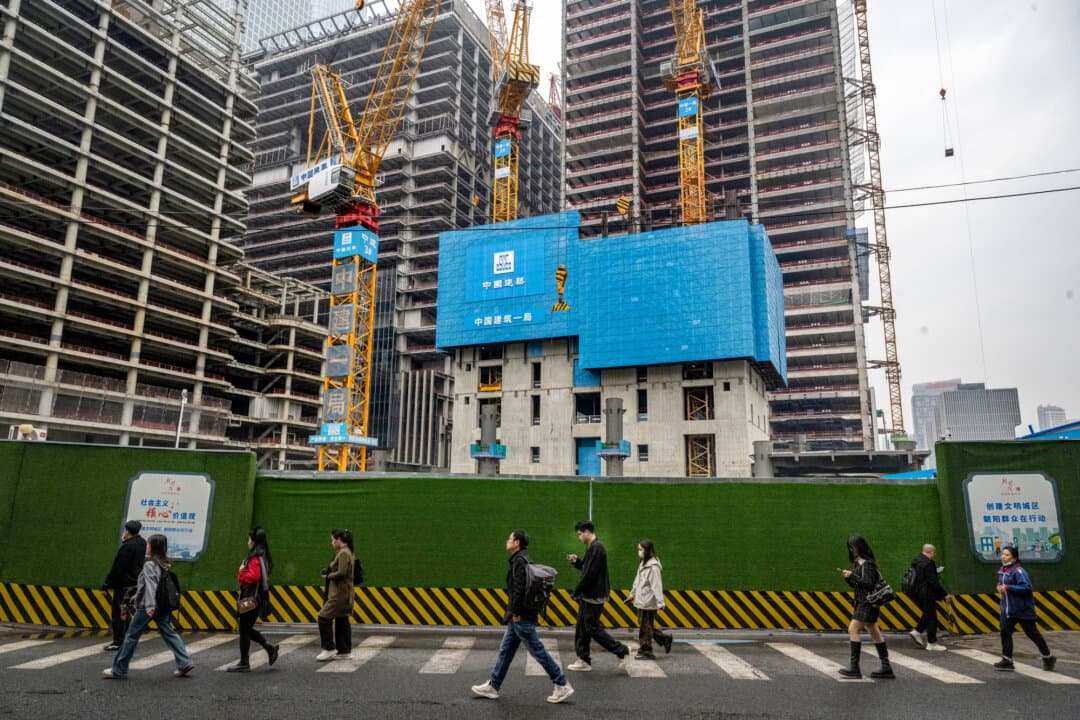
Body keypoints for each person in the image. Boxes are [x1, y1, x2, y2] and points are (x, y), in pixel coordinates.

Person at [471, 530, 573, 704]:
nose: (507, 541)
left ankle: (562, 684)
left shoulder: (519, 561)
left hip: (521, 616)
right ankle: (493, 686)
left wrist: (515, 613)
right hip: (519, 615)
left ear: (517, 543)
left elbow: (519, 589)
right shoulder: (523, 558)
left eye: (510, 538)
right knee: (506, 650)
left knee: (537, 651)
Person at [103, 534, 193, 679]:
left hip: (147, 606)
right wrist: (135, 598)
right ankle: (184, 662)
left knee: (131, 636)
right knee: (169, 633)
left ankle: (119, 669)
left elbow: (151, 586)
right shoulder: (164, 564)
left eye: (148, 544)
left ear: (154, 547)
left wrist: (150, 606)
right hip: (162, 605)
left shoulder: (150, 565)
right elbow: (148, 587)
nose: (146, 546)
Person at [566, 520, 630, 672]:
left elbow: (589, 574)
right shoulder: (592, 547)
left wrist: (576, 591)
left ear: (587, 532)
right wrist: (577, 562)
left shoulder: (597, 548)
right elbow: (587, 568)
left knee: (592, 628)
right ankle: (583, 659)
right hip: (589, 595)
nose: (579, 537)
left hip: (593, 596)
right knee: (582, 628)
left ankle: (622, 650)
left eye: (580, 534)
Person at [838, 534, 894, 680]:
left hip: (867, 602)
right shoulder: (858, 564)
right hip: (864, 602)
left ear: (859, 547)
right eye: (850, 548)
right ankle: (886, 667)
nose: (852, 550)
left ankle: (854, 668)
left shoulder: (867, 564)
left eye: (853, 547)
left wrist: (853, 575)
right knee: (874, 631)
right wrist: (848, 578)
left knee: (853, 629)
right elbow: (858, 585)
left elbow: (868, 584)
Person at [994, 545, 1056, 671]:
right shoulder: (1003, 570)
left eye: (1007, 555)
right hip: (1008, 610)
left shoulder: (1018, 571)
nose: (1003, 557)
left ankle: (1048, 657)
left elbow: (1027, 588)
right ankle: (1007, 660)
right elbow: (1002, 584)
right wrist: (999, 587)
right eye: (1002, 554)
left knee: (1032, 634)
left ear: (1014, 558)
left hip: (1023, 610)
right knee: (1005, 633)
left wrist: (1008, 587)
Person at [227, 527, 279, 672]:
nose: (248, 542)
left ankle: (245, 662)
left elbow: (254, 577)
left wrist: (241, 573)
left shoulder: (255, 558)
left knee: (244, 629)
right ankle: (269, 648)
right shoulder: (264, 556)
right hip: (258, 597)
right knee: (245, 628)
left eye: (249, 539)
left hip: (251, 598)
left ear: (254, 541)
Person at [102, 520, 146, 651]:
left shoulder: (127, 546)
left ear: (127, 531)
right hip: (135, 584)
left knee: (119, 614)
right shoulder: (142, 543)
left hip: (123, 586)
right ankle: (127, 639)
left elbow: (118, 568)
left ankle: (118, 641)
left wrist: (106, 584)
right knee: (126, 612)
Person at [626, 538, 672, 659]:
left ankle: (646, 651)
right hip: (641, 600)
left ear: (647, 550)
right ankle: (664, 639)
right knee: (646, 625)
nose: (639, 552)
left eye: (640, 549)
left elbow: (657, 585)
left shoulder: (653, 567)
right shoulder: (643, 563)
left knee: (644, 628)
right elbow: (637, 580)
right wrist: (632, 594)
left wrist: (660, 602)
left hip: (648, 602)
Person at [316, 528, 355, 662]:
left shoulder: (343, 553)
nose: (331, 542)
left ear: (339, 540)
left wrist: (328, 575)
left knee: (323, 617)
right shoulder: (347, 551)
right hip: (344, 593)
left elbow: (342, 572)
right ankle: (344, 651)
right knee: (342, 620)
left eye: (333, 540)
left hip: (339, 594)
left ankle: (329, 648)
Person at [906, 544, 953, 651]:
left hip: (917, 592)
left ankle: (917, 631)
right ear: (930, 551)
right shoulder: (928, 563)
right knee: (932, 618)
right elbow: (933, 582)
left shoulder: (916, 560)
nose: (935, 555)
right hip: (927, 593)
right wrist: (944, 594)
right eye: (934, 552)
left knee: (928, 614)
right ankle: (932, 643)